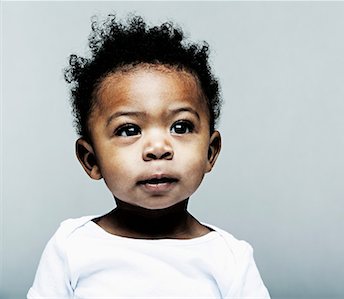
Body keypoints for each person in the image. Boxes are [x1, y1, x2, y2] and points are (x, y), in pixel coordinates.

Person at [27, 14, 270, 299]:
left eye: (181, 126)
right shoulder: (72, 247)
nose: (158, 148)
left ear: (210, 152)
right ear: (91, 160)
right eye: (129, 130)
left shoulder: (230, 259)